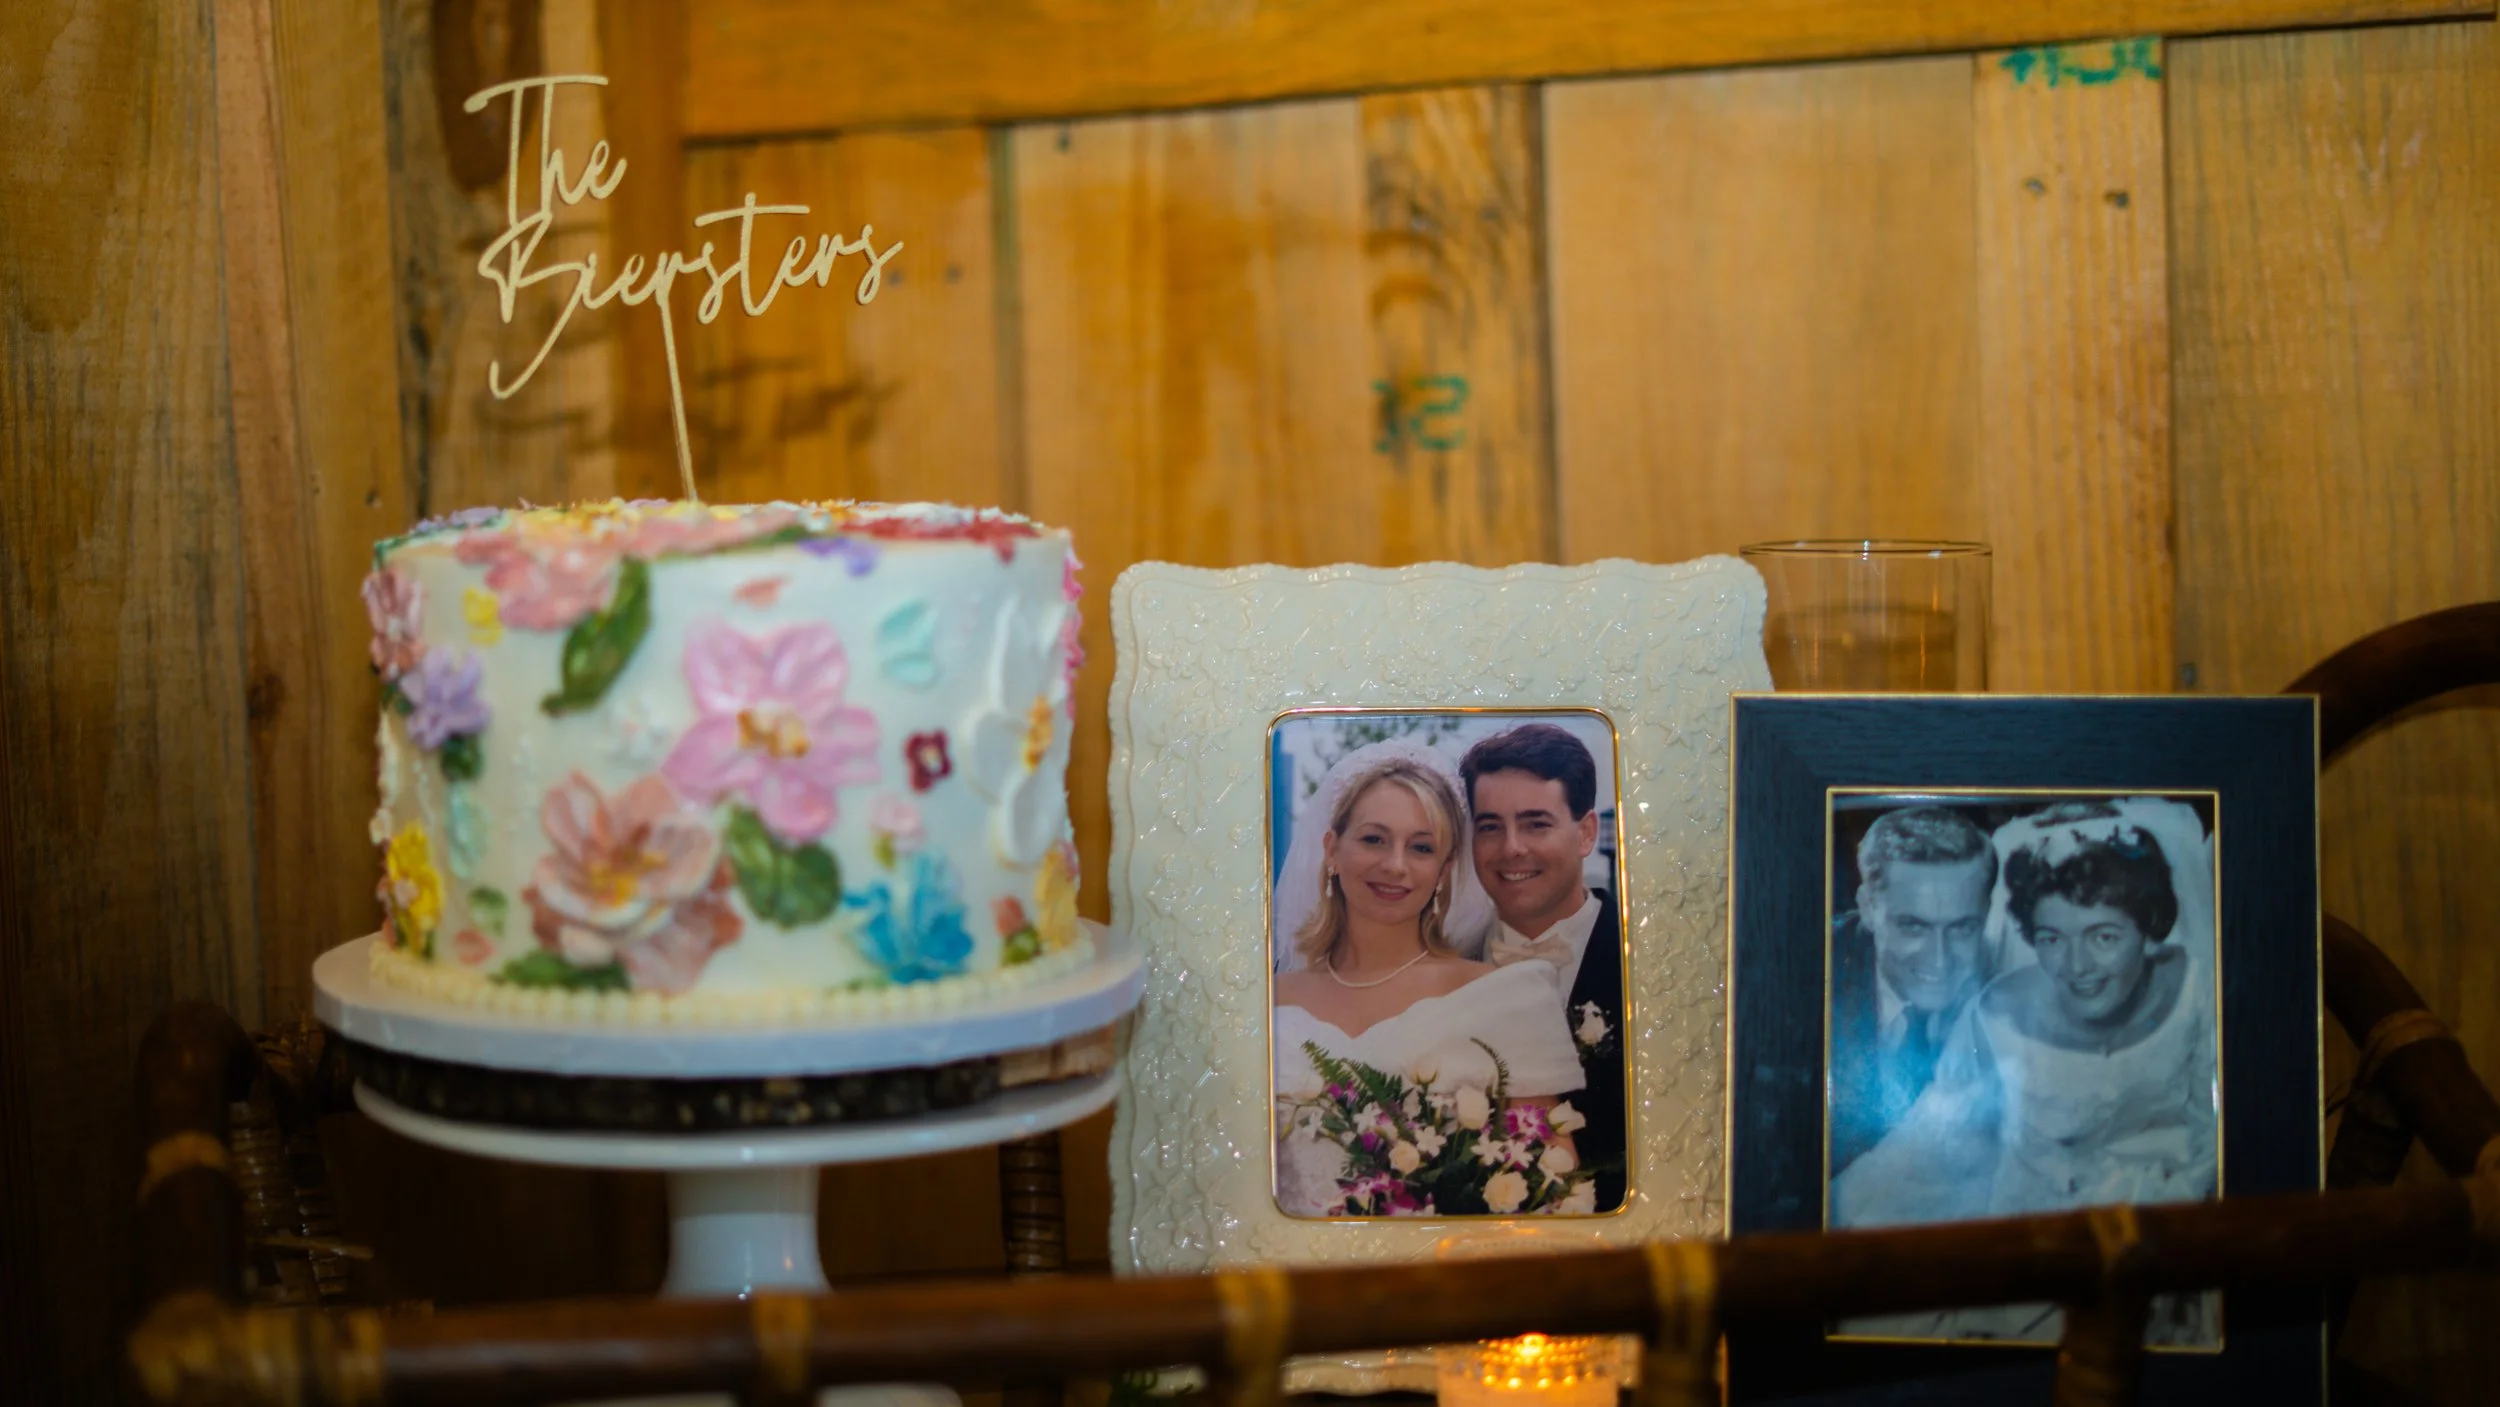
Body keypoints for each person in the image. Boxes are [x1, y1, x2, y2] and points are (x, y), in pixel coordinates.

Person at [1831, 798, 2219, 1345]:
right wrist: (1829, 1216)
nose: (2076, 967)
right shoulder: (1997, 1011)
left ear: (2148, 930)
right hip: (2029, 1244)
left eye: (2104, 936)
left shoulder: (2204, 1000)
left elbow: (2225, 1147)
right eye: (2051, 940)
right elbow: (1930, 1148)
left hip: (2163, 1249)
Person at [1271, 746, 1585, 1218]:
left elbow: (1552, 1191)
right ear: (1332, 849)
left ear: (1443, 871)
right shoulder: (1268, 1001)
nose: (1395, 865)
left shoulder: (1506, 996)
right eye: (1374, 839)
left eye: (1421, 847)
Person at [1460, 723, 1627, 1213]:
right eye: (1490, 827)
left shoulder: (1644, 962)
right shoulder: (1445, 967)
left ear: (1586, 833)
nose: (1512, 848)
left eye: (1536, 823)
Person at [1827, 807, 1998, 1176]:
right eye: (1914, 927)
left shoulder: (2010, 981)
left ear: (1986, 911)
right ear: (1868, 907)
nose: (1940, 959)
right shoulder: (1807, 975)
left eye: (1963, 928)